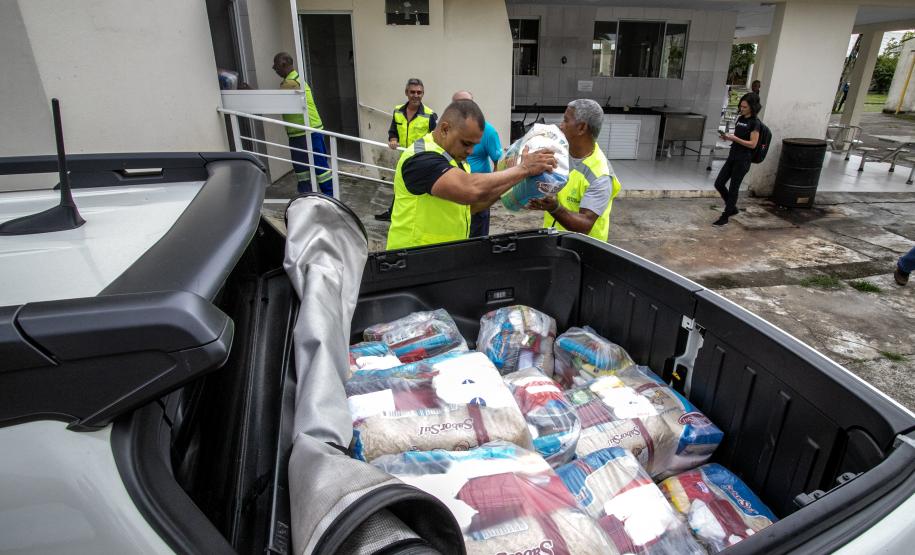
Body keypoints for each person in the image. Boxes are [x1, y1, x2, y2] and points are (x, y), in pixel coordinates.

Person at [386, 100, 556, 249]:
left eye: (475, 145)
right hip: (412, 260)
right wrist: (524, 169)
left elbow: (472, 206)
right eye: (466, 143)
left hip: (441, 258)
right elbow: (471, 190)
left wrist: (514, 182)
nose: (471, 151)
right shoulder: (422, 158)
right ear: (445, 129)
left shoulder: (454, 159)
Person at [527, 99, 621, 242]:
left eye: (566, 120)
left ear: (581, 128)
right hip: (554, 241)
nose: (561, 125)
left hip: (584, 251)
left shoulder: (600, 175)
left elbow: (585, 225)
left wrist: (554, 208)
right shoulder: (560, 153)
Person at [375, 78, 438, 221]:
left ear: (423, 94)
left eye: (419, 92)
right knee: (400, 185)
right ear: (406, 93)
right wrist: (393, 139)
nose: (416, 95)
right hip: (404, 157)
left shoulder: (430, 115)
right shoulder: (398, 111)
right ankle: (394, 213)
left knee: (417, 188)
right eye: (412, 92)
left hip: (421, 158)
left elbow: (437, 138)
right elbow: (393, 130)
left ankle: (412, 216)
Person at [272, 52, 332, 195]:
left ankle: (330, 197)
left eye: (275, 65)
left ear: (283, 64)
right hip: (299, 133)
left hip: (308, 131)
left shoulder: (292, 82)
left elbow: (274, 102)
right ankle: (307, 197)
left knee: (320, 168)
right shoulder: (292, 80)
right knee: (302, 171)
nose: (274, 68)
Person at [451, 90, 503, 237]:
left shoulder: (488, 131)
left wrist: (493, 188)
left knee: (477, 237)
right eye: (459, 105)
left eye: (469, 104)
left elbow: (497, 161)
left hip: (478, 192)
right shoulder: (448, 129)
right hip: (454, 190)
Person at [712, 93, 760, 226]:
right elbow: (738, 137)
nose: (742, 108)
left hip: (743, 159)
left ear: (752, 107)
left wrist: (735, 139)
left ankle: (726, 215)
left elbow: (753, 144)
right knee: (719, 183)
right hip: (732, 156)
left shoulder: (755, 123)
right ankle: (732, 208)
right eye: (741, 106)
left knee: (734, 188)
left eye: (745, 106)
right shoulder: (740, 118)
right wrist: (728, 137)